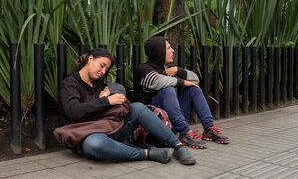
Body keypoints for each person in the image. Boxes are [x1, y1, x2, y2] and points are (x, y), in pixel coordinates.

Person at [59, 48, 196, 165]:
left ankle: (177, 145)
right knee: (95, 144)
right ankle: (147, 153)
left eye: (106, 68)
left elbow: (116, 106)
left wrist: (112, 96)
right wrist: (106, 101)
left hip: (111, 128)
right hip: (86, 135)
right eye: (101, 65)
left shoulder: (99, 83)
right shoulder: (70, 84)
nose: (103, 71)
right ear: (90, 59)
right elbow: (73, 111)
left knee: (138, 107)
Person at [133, 36, 229, 148]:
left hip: (172, 122)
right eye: (169, 48)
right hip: (153, 125)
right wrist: (182, 82)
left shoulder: (168, 69)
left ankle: (208, 129)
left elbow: (195, 80)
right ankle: (185, 133)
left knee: (193, 88)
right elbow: (157, 81)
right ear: (160, 51)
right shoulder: (143, 69)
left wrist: (179, 70)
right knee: (167, 89)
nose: (172, 50)